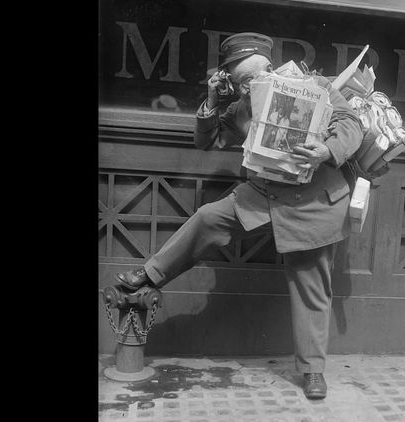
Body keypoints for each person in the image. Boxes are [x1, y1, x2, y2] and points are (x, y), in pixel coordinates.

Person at [115, 32, 363, 400]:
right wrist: (212, 102)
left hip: (314, 201)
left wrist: (326, 150)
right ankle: (150, 273)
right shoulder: (240, 108)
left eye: (261, 72)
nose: (255, 83)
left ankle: (313, 371)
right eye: (245, 80)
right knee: (209, 217)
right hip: (263, 195)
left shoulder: (319, 85)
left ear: (273, 66)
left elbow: (351, 126)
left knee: (311, 286)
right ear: (234, 81)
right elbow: (207, 141)